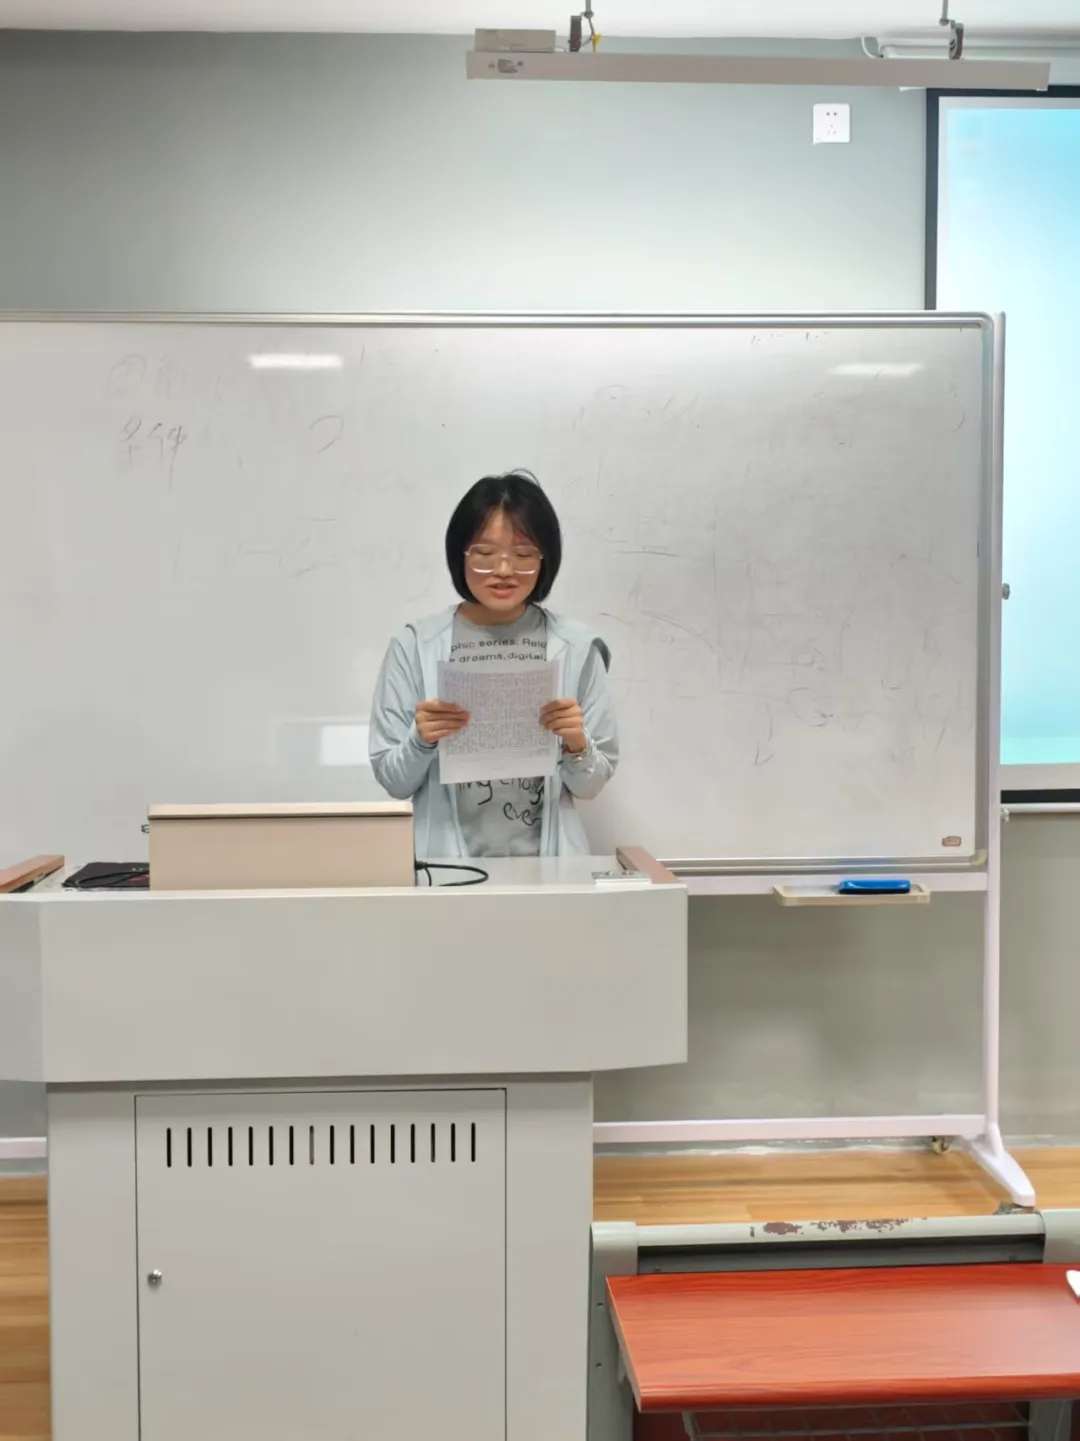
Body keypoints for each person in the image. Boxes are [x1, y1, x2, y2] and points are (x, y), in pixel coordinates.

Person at [369, 471, 618, 858]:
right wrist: (421, 740)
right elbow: (393, 781)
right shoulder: (415, 645)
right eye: (485, 555)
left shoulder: (577, 648)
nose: (504, 571)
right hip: (447, 871)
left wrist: (577, 744)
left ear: (545, 559)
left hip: (551, 872)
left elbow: (590, 785)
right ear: (461, 556)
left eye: (523, 555)